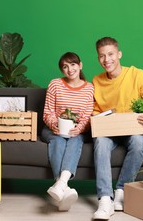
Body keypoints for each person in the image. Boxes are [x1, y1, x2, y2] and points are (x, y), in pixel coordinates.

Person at [92, 37, 143, 220]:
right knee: (100, 142)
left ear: (119, 54)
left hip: (134, 128)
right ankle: (105, 199)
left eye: (110, 54)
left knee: (139, 141)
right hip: (109, 131)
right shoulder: (97, 81)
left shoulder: (138, 75)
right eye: (102, 56)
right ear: (98, 58)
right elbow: (96, 109)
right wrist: (94, 117)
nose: (107, 60)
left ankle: (122, 191)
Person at [41, 52, 94, 211]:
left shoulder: (89, 88)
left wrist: (80, 128)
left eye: (72, 64)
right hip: (53, 130)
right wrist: (54, 125)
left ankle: (61, 185)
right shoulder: (55, 84)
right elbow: (47, 113)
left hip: (75, 132)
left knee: (76, 140)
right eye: (65, 66)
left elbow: (86, 116)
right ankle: (64, 186)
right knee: (58, 141)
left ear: (80, 65)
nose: (70, 69)